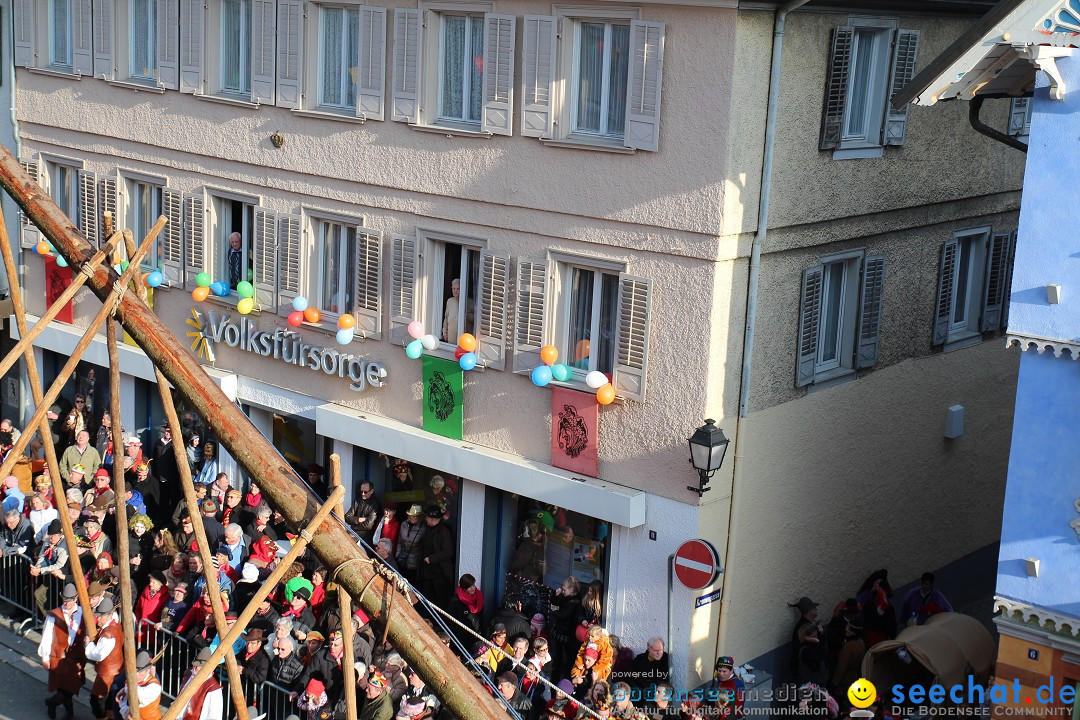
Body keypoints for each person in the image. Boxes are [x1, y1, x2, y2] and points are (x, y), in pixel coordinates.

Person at [38, 583, 86, 720]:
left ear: (76, 599)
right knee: (62, 687)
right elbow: (46, 636)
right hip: (58, 657)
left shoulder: (83, 612)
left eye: (70, 599)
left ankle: (52, 703)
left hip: (76, 656)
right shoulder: (54, 615)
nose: (67, 602)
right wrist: (45, 657)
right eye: (65, 599)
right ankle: (68, 713)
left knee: (72, 686)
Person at [84, 598, 124, 720]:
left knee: (96, 701)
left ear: (109, 616)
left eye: (101, 616)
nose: (98, 619)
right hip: (116, 669)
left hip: (107, 672)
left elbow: (97, 654)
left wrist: (88, 644)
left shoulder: (108, 635)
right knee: (109, 702)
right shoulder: (116, 625)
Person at [417, 504, 454, 607]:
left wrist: (431, 559)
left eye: (427, 517)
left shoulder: (443, 532)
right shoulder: (429, 528)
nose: (426, 519)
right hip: (428, 571)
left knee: (440, 599)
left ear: (432, 519)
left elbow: (448, 551)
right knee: (428, 598)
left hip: (439, 573)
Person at [174, 647, 224, 720]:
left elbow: (214, 717)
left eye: (199, 665)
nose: (195, 667)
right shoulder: (188, 675)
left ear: (206, 667)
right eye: (195, 664)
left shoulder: (213, 689)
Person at [115, 650, 163, 720]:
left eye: (140, 672)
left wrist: (125, 690)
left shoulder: (155, 686)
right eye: (134, 671)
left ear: (147, 671)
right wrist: (127, 712)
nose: (136, 674)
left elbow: (139, 694)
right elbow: (122, 703)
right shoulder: (129, 683)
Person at [395, 505, 426, 584]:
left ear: (419, 516)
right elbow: (399, 541)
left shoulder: (423, 528)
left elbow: (423, 546)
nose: (411, 517)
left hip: (414, 562)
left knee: (412, 583)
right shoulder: (404, 524)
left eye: (414, 516)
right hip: (402, 559)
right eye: (410, 515)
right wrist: (398, 554)